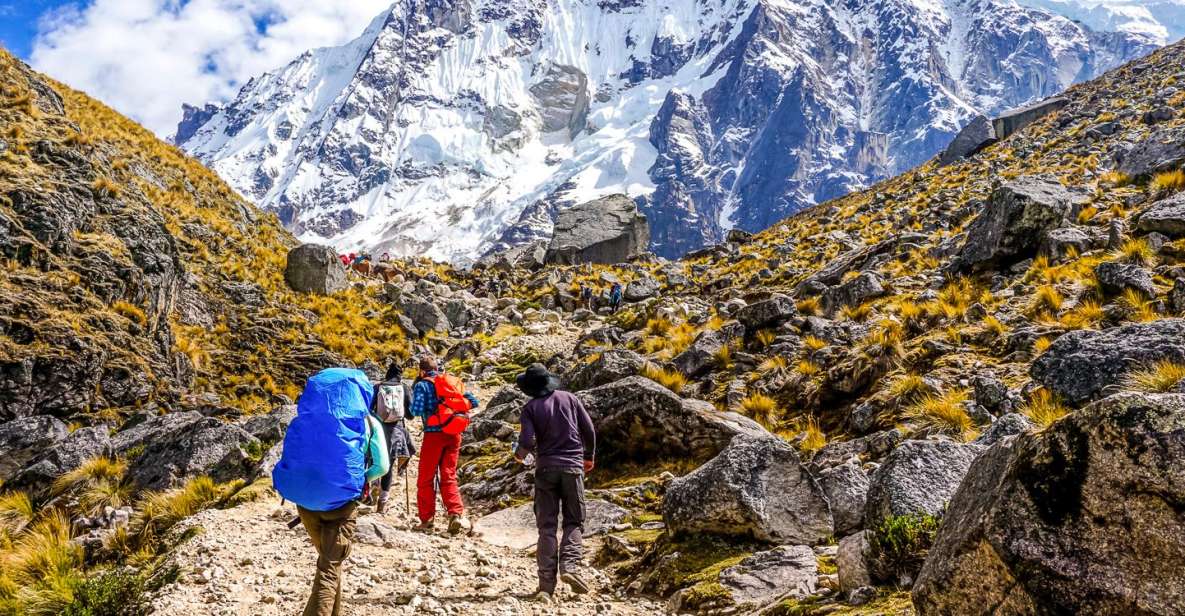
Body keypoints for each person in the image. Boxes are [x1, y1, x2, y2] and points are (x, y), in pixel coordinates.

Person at [273, 368, 389, 616]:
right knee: (329, 567)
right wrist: (361, 480)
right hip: (342, 504)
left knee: (330, 563)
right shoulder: (368, 422)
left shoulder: (307, 418)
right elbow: (382, 466)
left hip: (305, 503)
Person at [514, 363, 597, 602]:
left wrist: (519, 455)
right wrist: (588, 457)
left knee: (547, 527)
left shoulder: (529, 408)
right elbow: (589, 429)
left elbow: (527, 441)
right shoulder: (570, 399)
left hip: (546, 468)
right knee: (574, 521)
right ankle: (569, 567)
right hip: (572, 467)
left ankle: (545, 587)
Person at [408, 355, 479, 534]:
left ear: (421, 371)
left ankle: (427, 520)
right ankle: (455, 514)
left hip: (434, 436)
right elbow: (474, 401)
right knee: (449, 475)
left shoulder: (422, 385)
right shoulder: (449, 382)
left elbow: (415, 410)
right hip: (454, 434)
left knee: (426, 478)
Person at [371, 362, 416, 514]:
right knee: (388, 465)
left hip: (378, 430)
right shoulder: (404, 388)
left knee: (375, 459)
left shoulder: (378, 387)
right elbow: (410, 415)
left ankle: (374, 484)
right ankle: (382, 503)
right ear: (400, 375)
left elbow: (369, 409)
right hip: (396, 431)